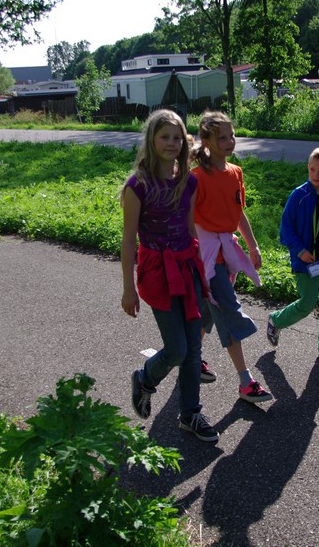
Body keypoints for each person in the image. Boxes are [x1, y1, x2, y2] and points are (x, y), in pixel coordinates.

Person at [121, 109, 218, 443]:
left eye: (177, 137)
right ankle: (145, 378)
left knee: (193, 348)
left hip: (187, 267)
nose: (172, 143)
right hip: (157, 271)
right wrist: (128, 288)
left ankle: (190, 414)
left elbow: (191, 229)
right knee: (176, 349)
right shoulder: (138, 185)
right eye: (165, 137)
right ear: (152, 139)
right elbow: (128, 240)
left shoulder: (188, 181)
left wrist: (203, 272)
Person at [190, 110, 273, 403]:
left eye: (232, 135)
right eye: (222, 137)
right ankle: (245, 382)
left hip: (226, 249)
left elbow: (238, 213)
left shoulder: (235, 172)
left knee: (206, 310)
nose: (230, 141)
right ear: (206, 141)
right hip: (206, 256)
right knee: (227, 309)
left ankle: (191, 359)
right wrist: (194, 253)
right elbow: (187, 220)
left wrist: (253, 245)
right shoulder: (196, 177)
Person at [266, 147, 319, 364]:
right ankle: (276, 320)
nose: (315, 175)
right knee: (307, 303)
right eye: (312, 169)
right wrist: (300, 251)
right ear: (307, 168)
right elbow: (285, 230)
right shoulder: (299, 195)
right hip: (308, 261)